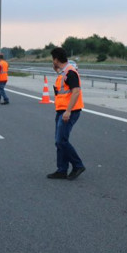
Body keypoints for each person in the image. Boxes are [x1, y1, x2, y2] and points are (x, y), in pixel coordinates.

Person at [47, 47, 86, 180]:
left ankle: (77, 165)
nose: (53, 61)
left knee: (61, 141)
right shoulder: (64, 72)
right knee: (59, 141)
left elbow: (76, 91)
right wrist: (56, 70)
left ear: (56, 59)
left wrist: (68, 111)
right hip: (61, 110)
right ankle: (62, 170)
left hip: (69, 111)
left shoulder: (70, 72)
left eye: (53, 59)